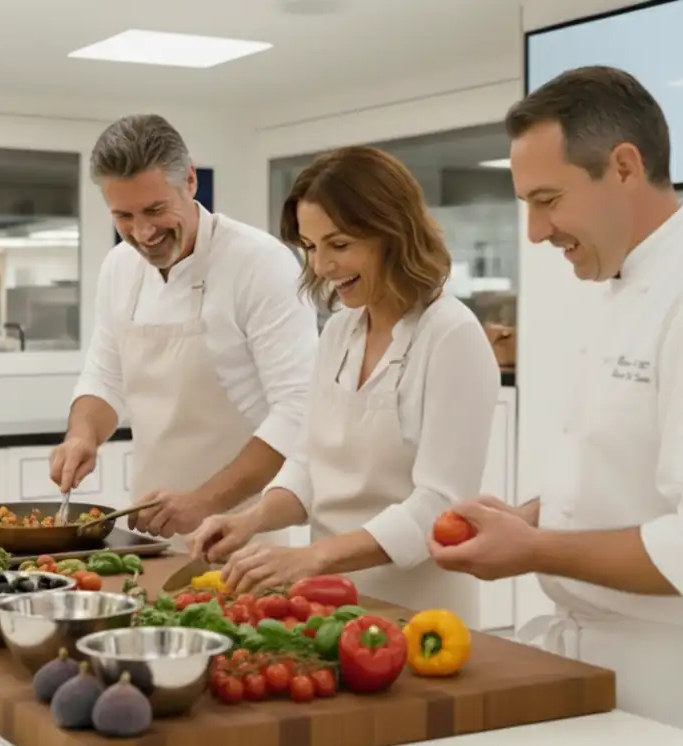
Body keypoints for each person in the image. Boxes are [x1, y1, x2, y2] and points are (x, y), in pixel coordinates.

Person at [429, 66, 683, 746]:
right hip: (595, 662)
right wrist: (523, 519)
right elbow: (619, 476)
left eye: (547, 200)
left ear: (624, 167)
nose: (535, 232)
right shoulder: (619, 287)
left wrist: (534, 549)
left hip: (682, 689)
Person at [188, 145, 501, 614]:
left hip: (419, 612)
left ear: (393, 233)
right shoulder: (340, 331)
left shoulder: (451, 335)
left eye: (339, 245)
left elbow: (439, 505)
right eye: (311, 247)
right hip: (333, 605)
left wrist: (313, 557)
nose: (320, 266)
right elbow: (309, 464)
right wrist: (251, 519)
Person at [49, 114, 318, 550]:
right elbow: (105, 377)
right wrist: (82, 435)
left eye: (155, 210)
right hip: (146, 532)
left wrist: (204, 502)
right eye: (123, 216)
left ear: (190, 180)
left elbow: (297, 411)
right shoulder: (119, 267)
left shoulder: (260, 264)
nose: (143, 232)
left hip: (242, 534)